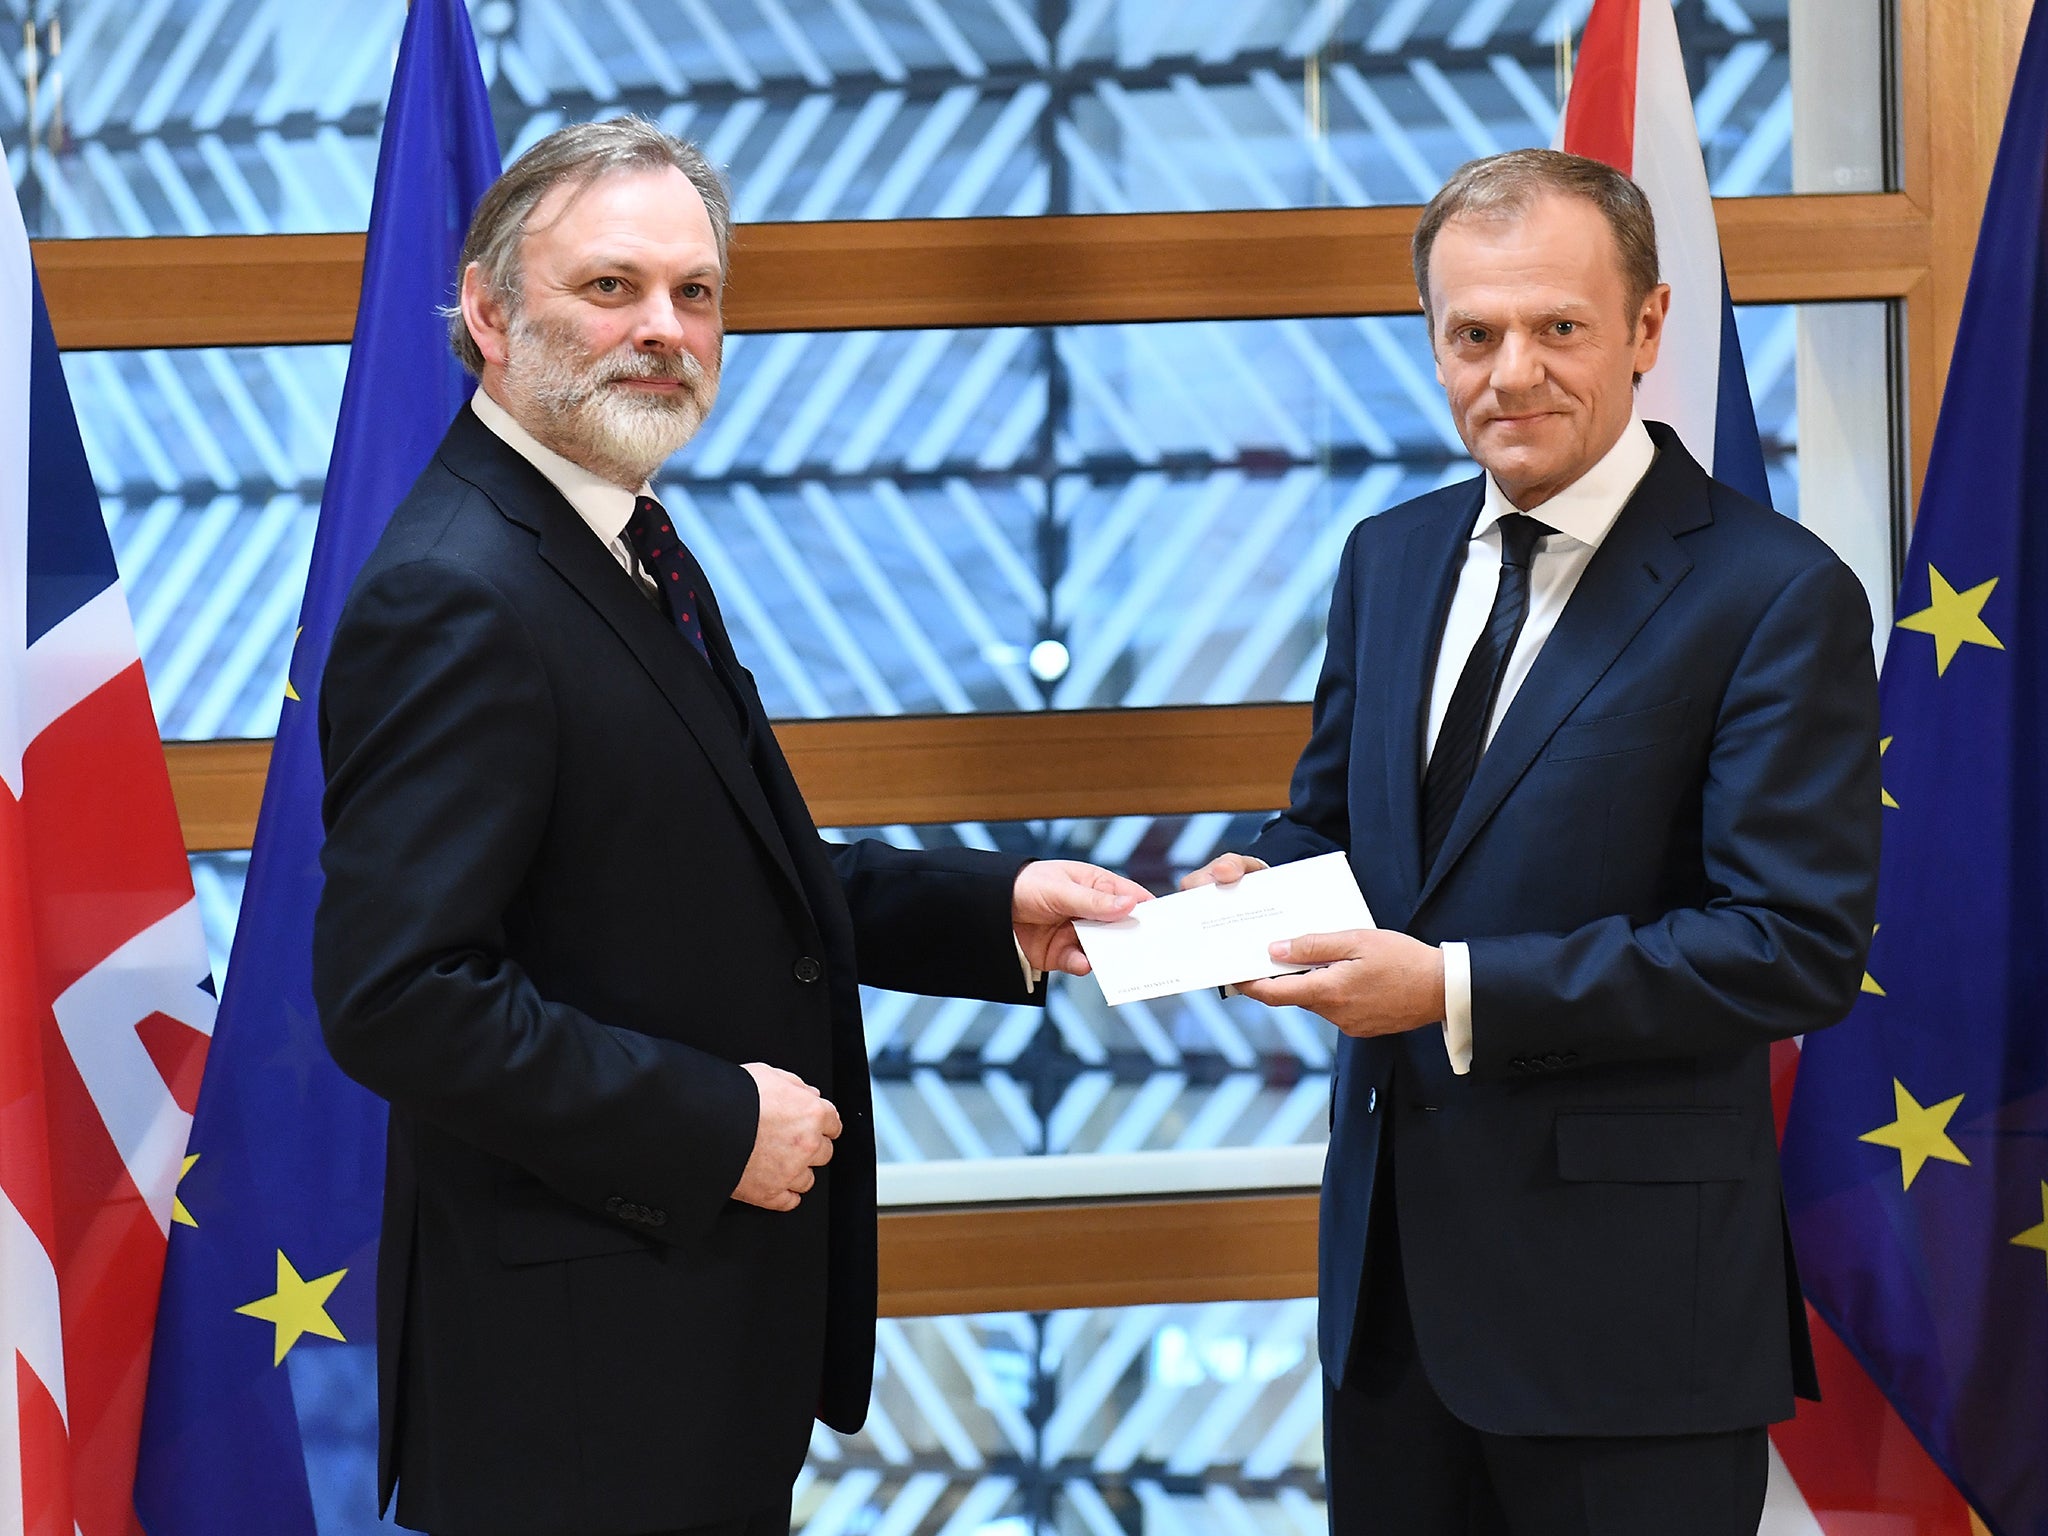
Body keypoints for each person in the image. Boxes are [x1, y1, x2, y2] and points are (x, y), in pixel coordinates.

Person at [311, 118, 1148, 1536]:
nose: (664, 329)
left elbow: (699, 872)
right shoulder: (456, 590)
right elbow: (397, 997)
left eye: (696, 294)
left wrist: (986, 909)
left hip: (682, 1345)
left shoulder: (619, 531)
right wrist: (710, 1124)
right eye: (612, 288)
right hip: (575, 1383)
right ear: (486, 312)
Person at [1185, 149, 1880, 1535]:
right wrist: (1256, 877)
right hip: (1391, 1319)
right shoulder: (1388, 556)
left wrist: (1450, 991)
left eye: (1558, 327)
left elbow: (1789, 949)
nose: (1513, 373)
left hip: (1630, 1337)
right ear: (1434, 343)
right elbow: (1339, 821)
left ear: (1646, 329)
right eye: (1473, 334)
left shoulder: (1775, 594)